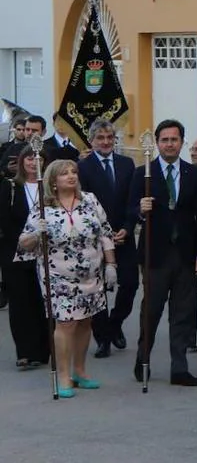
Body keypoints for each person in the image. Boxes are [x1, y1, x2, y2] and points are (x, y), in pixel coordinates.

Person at [17, 159, 117, 397]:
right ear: (53, 180)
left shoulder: (90, 200)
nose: (71, 176)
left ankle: (80, 371)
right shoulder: (43, 206)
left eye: (74, 172)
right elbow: (23, 243)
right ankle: (63, 375)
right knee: (66, 322)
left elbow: (105, 232)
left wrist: (111, 264)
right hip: (57, 274)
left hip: (90, 272)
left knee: (85, 321)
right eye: (64, 174)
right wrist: (37, 233)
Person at [130, 119, 197, 386]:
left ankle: (179, 367)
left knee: (183, 312)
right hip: (156, 252)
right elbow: (130, 210)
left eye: (174, 139)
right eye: (165, 140)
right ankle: (143, 357)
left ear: (182, 143)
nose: (169, 144)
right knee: (151, 309)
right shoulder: (144, 174)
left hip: (185, 252)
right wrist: (141, 209)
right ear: (158, 143)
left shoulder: (193, 174)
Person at [77, 119, 138, 357]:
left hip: (123, 236)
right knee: (97, 288)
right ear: (92, 141)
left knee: (131, 283)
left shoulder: (126, 164)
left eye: (109, 137)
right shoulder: (82, 166)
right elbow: (82, 204)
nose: (105, 142)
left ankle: (115, 324)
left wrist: (128, 227)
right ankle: (102, 337)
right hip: (94, 239)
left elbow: (133, 200)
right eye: (100, 138)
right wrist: (102, 233)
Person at [0, 147, 51, 368]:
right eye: (30, 158)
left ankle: (44, 350)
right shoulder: (10, 186)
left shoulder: (50, 188)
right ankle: (25, 351)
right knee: (21, 303)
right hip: (15, 253)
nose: (33, 162)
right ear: (22, 161)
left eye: (39, 158)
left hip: (47, 254)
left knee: (43, 302)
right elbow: (3, 219)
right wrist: (22, 240)